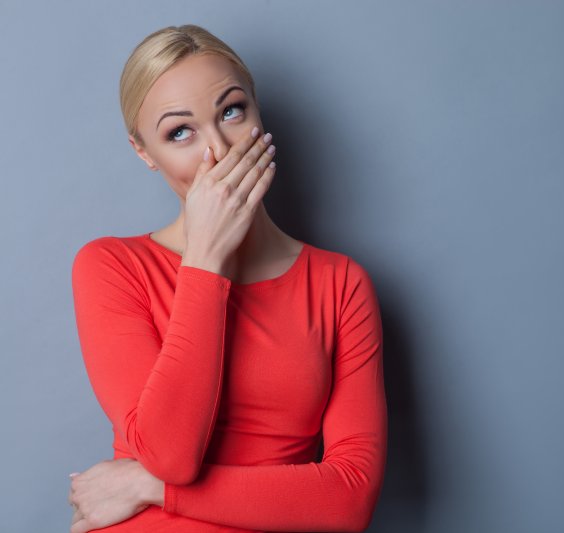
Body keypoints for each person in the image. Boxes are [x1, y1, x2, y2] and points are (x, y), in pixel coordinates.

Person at [67, 24, 387, 533]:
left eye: (231, 111)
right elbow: (171, 455)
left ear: (258, 112)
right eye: (180, 132)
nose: (218, 150)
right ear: (144, 152)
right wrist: (205, 261)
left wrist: (148, 488)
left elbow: (348, 500)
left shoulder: (339, 284)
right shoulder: (112, 267)